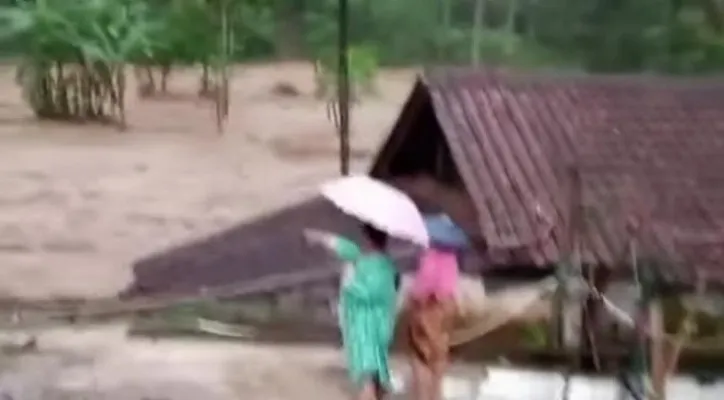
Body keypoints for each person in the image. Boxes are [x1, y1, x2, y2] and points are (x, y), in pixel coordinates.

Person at [303, 224, 399, 400]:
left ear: (369, 239)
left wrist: (348, 285)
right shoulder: (387, 265)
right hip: (383, 324)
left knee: (367, 376)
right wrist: (321, 237)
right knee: (376, 373)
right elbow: (347, 249)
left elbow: (365, 292)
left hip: (365, 327)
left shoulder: (368, 264)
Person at [402, 214, 468, 400]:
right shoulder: (452, 259)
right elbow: (449, 287)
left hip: (428, 311)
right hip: (445, 310)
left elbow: (423, 288)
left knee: (420, 355)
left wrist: (412, 298)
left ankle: (423, 396)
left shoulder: (429, 256)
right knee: (439, 354)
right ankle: (436, 393)